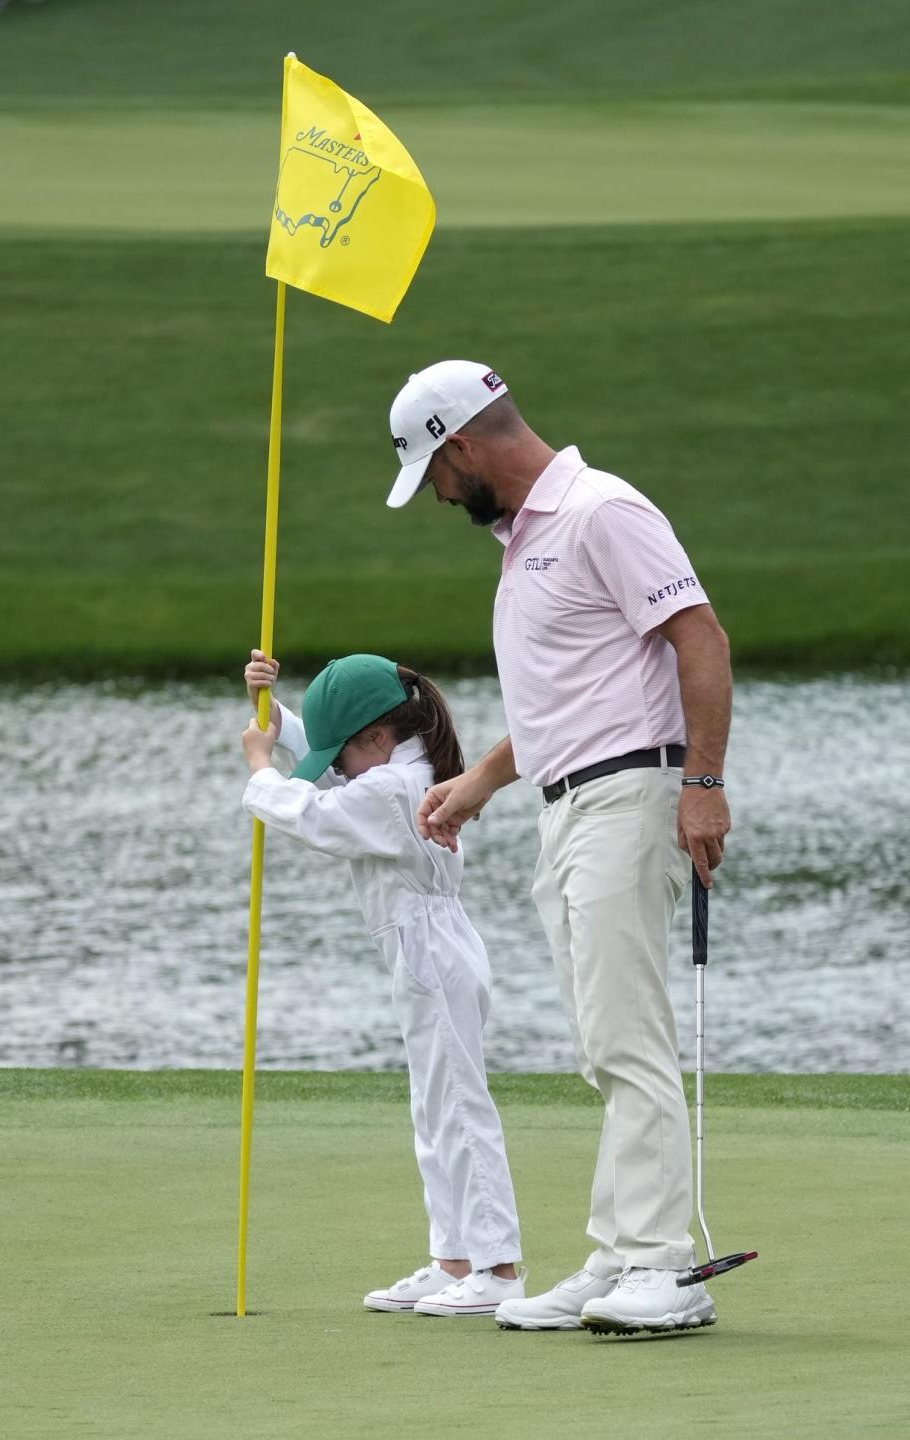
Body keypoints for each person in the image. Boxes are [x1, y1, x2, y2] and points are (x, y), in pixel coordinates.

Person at [385, 360, 732, 1336]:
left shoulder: (600, 511)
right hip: (568, 805)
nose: (443, 496)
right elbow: (565, 699)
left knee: (627, 1032)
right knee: (599, 1041)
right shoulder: (528, 537)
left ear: (460, 445)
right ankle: (621, 1252)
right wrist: (480, 783)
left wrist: (702, 785)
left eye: (439, 476)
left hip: (632, 794)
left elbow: (700, 638)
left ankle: (664, 1266)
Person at [240, 648, 525, 1317]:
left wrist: (259, 763)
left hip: (431, 947)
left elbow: (313, 814)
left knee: (457, 1103)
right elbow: (333, 767)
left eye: (344, 750)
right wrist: (273, 714)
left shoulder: (394, 791)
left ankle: (499, 1267)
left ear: (376, 737)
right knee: (433, 1106)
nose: (334, 765)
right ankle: (453, 1257)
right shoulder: (397, 765)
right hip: (422, 947)